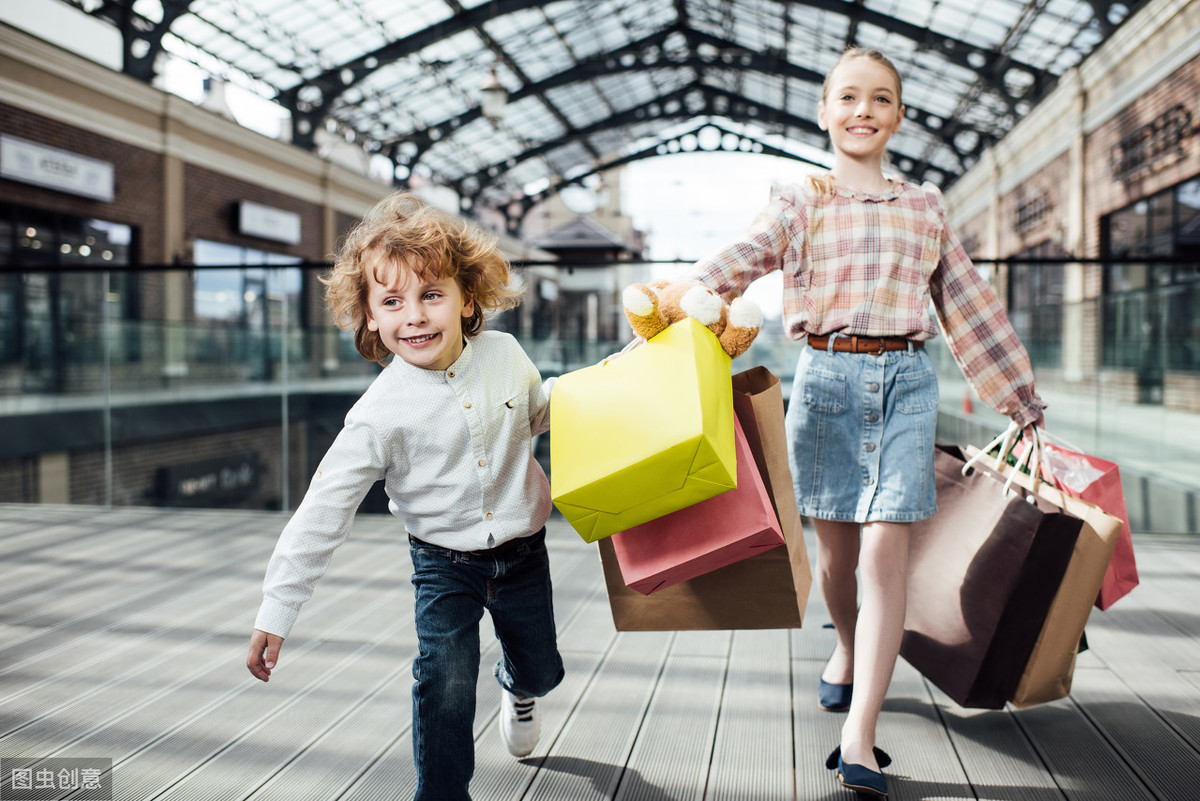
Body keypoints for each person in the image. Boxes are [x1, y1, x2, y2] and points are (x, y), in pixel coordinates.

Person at [685, 46, 1045, 799]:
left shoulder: (925, 206)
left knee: (886, 555)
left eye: (881, 99)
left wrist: (1020, 398)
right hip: (824, 384)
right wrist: (673, 301)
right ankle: (847, 648)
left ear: (900, 116)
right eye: (848, 98)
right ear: (823, 112)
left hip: (907, 383)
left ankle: (860, 736)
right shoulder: (798, 202)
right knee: (837, 561)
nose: (863, 112)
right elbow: (738, 261)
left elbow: (969, 304)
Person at [245, 192, 564, 801]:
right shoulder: (376, 415)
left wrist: (613, 381)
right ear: (369, 316)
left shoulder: (505, 356)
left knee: (542, 666)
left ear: (466, 298)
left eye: (430, 294)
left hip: (524, 551)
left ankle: (520, 687)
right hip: (443, 563)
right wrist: (276, 610)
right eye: (392, 301)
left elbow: (538, 413)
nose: (414, 316)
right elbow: (323, 511)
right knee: (443, 679)